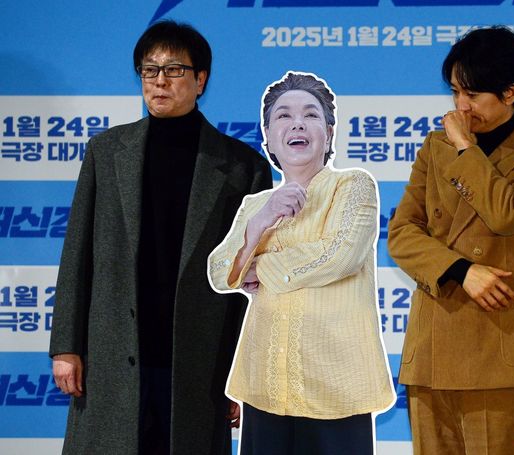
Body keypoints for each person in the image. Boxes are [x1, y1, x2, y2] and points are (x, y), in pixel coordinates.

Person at [49, 20, 272, 455]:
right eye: (149, 70)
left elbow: (251, 285)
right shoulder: (106, 152)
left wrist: (244, 372)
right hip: (112, 352)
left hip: (199, 360)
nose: (159, 81)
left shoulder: (242, 167)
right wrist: (66, 347)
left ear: (200, 79)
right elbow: (77, 254)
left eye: (173, 70)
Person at [388, 26, 514, 454]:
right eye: (456, 92)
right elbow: (401, 233)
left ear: (510, 92)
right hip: (433, 348)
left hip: (503, 351)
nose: (461, 106)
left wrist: (464, 147)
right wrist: (461, 270)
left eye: (473, 95)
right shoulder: (435, 148)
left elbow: (507, 212)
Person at [207, 71, 395, 455]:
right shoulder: (255, 205)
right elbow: (219, 272)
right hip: (266, 387)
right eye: (284, 116)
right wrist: (259, 223)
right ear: (268, 137)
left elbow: (339, 256)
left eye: (310, 115)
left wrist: (258, 267)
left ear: (329, 133)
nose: (297, 124)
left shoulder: (352, 186)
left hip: (336, 389)